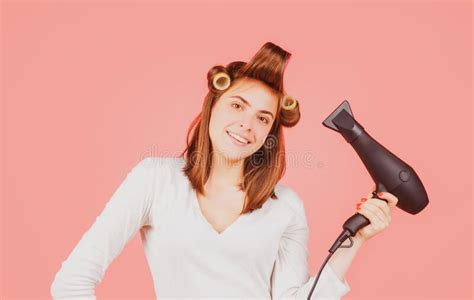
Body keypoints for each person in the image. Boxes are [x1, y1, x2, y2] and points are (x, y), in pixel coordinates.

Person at [50, 42, 398, 299]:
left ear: (269, 134)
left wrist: (355, 242)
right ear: (212, 106)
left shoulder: (285, 206)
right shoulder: (155, 180)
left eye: (263, 118)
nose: (247, 125)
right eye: (237, 105)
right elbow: (71, 283)